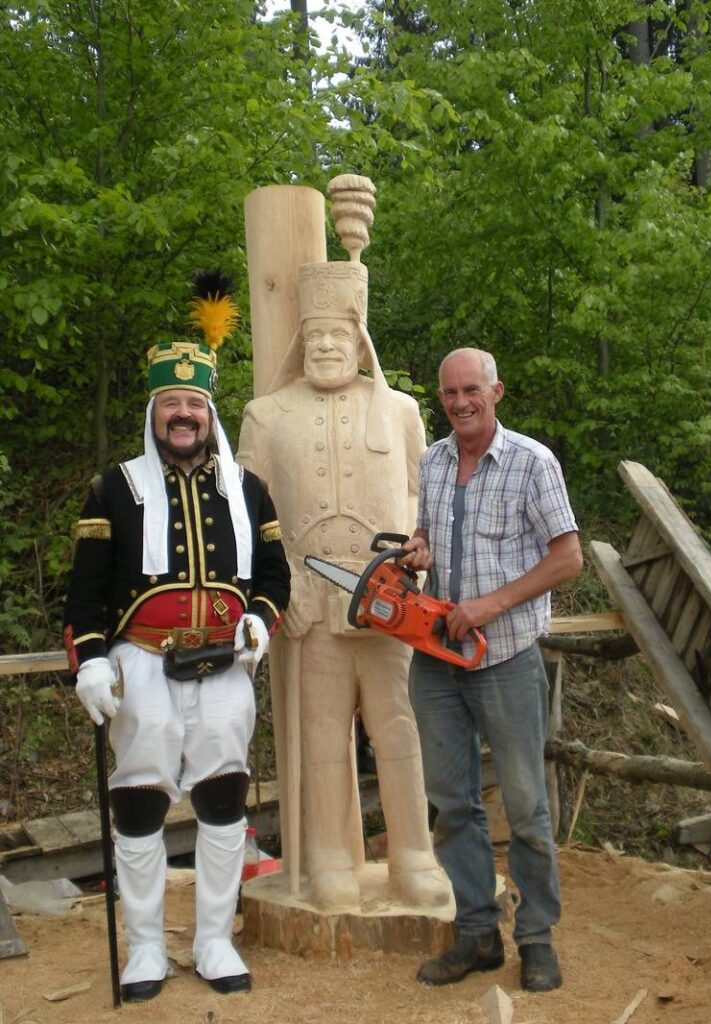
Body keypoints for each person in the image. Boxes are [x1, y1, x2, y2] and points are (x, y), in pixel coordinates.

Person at [63, 271, 290, 1002]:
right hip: (141, 664)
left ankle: (215, 939)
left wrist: (259, 618)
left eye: (194, 403)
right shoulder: (114, 488)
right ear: (154, 412)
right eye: (171, 404)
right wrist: (89, 660)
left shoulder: (247, 489)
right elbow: (84, 590)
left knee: (224, 797)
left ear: (209, 412)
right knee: (139, 802)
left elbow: (275, 574)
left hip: (224, 663)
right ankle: (146, 948)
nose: (183, 415)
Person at [238, 260, 450, 911]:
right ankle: (328, 857)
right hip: (309, 603)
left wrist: (414, 569)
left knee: (400, 728)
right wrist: (280, 585)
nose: (327, 345)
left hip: (389, 602)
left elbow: (422, 497)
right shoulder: (266, 415)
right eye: (315, 335)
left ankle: (414, 854)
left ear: (361, 342)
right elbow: (246, 513)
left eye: (339, 334)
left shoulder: (400, 410)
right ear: (300, 341)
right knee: (322, 735)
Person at [401, 347, 583, 992]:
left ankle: (536, 937)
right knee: (452, 803)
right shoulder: (433, 460)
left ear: (495, 391)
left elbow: (568, 557)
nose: (461, 402)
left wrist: (490, 604)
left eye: (471, 390)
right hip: (435, 657)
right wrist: (417, 550)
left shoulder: (533, 462)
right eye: (450, 393)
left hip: (504, 655)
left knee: (526, 806)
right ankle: (477, 933)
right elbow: (429, 536)